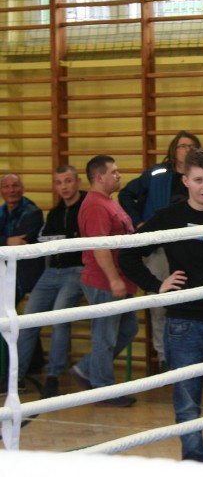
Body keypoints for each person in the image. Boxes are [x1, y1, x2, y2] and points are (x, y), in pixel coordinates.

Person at [119, 148, 203, 462]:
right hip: (184, 322)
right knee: (187, 399)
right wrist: (155, 285)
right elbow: (127, 254)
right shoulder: (169, 217)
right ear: (186, 181)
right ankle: (193, 459)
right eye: (199, 180)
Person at [119, 130, 202, 370]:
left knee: (191, 301)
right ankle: (165, 358)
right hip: (159, 248)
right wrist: (138, 223)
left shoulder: (199, 176)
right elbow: (126, 194)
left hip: (192, 248)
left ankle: (192, 358)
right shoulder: (157, 173)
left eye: (191, 146)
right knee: (159, 303)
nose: (186, 150)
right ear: (173, 150)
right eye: (182, 146)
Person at [71, 155, 138, 407]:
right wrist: (113, 280)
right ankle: (102, 388)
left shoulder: (108, 201)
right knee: (105, 336)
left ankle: (87, 369)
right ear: (100, 177)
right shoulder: (96, 206)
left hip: (116, 279)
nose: (119, 175)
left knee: (127, 329)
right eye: (114, 172)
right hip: (104, 281)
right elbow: (100, 247)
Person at [16, 165, 86, 398]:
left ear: (77, 182)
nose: (64, 186)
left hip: (76, 271)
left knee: (58, 319)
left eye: (68, 181)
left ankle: (54, 376)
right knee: (28, 321)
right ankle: (16, 376)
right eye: (59, 182)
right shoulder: (55, 213)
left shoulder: (87, 206)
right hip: (51, 271)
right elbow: (43, 241)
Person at [0, 173, 46, 304]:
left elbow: (20, 243)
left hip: (23, 270)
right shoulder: (1, 212)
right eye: (6, 187)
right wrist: (7, 241)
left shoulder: (33, 212)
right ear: (0, 191)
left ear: (22, 188)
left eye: (15, 186)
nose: (11, 190)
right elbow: (12, 242)